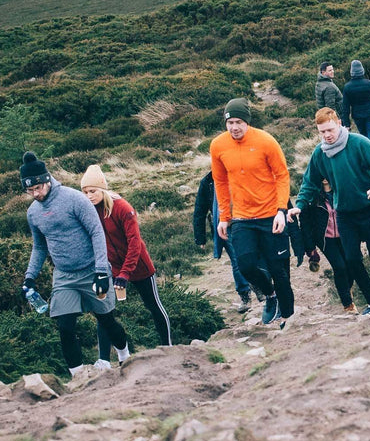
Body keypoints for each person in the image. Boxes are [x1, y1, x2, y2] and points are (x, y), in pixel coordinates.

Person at [20, 151, 130, 377]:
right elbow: (39, 247)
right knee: (65, 327)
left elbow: (96, 232)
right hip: (64, 275)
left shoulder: (74, 199)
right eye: (29, 190)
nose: (35, 194)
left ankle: (125, 356)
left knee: (106, 320)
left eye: (38, 188)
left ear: (47, 179)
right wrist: (30, 276)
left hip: (92, 270)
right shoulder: (33, 213)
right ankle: (78, 377)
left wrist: (101, 271)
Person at [289, 108, 370, 317]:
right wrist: (300, 204)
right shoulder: (320, 153)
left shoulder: (358, 143)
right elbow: (309, 181)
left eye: (330, 130)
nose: (327, 135)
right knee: (352, 260)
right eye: (322, 132)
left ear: (339, 123)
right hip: (344, 214)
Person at [210, 97, 294, 329]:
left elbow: (282, 175)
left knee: (280, 270)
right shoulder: (218, 145)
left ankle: (288, 318)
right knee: (246, 265)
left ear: (247, 121)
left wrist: (280, 210)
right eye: (230, 123)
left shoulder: (266, 141)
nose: (234, 127)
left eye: (239, 122)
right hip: (242, 217)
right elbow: (220, 181)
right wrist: (224, 217)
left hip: (270, 215)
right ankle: (270, 295)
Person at [80, 165, 172, 367]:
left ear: (102, 189)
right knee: (104, 313)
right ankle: (104, 359)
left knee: (153, 306)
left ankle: (168, 347)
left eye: (93, 191)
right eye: (85, 192)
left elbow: (135, 243)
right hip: (111, 268)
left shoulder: (122, 208)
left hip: (138, 266)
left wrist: (125, 273)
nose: (89, 196)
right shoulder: (89, 211)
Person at [193, 171, 257, 313]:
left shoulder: (240, 171)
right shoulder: (208, 182)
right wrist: (200, 237)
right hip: (226, 227)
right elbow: (200, 209)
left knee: (251, 256)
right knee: (237, 260)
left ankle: (259, 286)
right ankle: (245, 294)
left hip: (247, 221)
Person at [298, 177, 358, 314]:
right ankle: (348, 304)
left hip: (345, 235)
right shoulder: (311, 196)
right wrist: (310, 248)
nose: (324, 178)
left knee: (351, 264)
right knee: (340, 267)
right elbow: (305, 224)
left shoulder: (341, 190)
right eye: (321, 174)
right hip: (325, 239)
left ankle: (347, 289)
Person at [342, 60, 370, 144]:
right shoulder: (369, 84)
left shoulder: (347, 87)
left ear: (351, 72)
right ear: (362, 71)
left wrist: (347, 123)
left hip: (358, 116)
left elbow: (345, 107)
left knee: (364, 138)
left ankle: (365, 156)